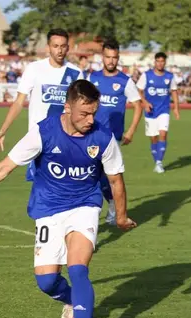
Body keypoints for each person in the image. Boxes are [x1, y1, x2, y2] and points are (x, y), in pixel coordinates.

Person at [0, 80, 136, 318]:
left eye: (94, 113)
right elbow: (5, 167)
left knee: (78, 268)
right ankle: (71, 301)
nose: (91, 120)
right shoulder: (43, 132)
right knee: (47, 282)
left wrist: (121, 218)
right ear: (67, 107)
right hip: (48, 209)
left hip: (85, 205)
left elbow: (116, 181)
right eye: (84, 114)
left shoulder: (103, 137)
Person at [0, 29, 83, 183]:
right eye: (55, 46)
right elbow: (19, 101)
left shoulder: (76, 73)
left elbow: (79, 108)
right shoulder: (34, 69)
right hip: (38, 137)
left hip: (64, 138)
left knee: (64, 185)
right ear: (48, 47)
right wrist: (3, 129)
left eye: (63, 46)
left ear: (68, 47)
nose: (59, 50)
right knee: (39, 185)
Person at [86, 40, 143, 224]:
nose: (111, 61)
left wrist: (131, 131)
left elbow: (138, 106)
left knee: (109, 175)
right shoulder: (92, 78)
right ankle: (109, 205)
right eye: (107, 57)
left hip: (112, 138)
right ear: (102, 57)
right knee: (93, 175)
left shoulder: (125, 81)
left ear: (118, 58)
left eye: (114, 58)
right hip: (91, 134)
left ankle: (114, 209)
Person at [136, 52, 180, 173]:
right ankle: (157, 161)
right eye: (158, 61)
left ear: (165, 62)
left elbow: (174, 92)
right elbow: (138, 90)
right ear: (154, 62)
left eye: (162, 61)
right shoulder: (146, 75)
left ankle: (160, 162)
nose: (160, 63)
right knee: (153, 138)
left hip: (164, 110)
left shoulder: (170, 76)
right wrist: (144, 102)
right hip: (150, 111)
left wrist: (176, 108)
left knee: (163, 134)